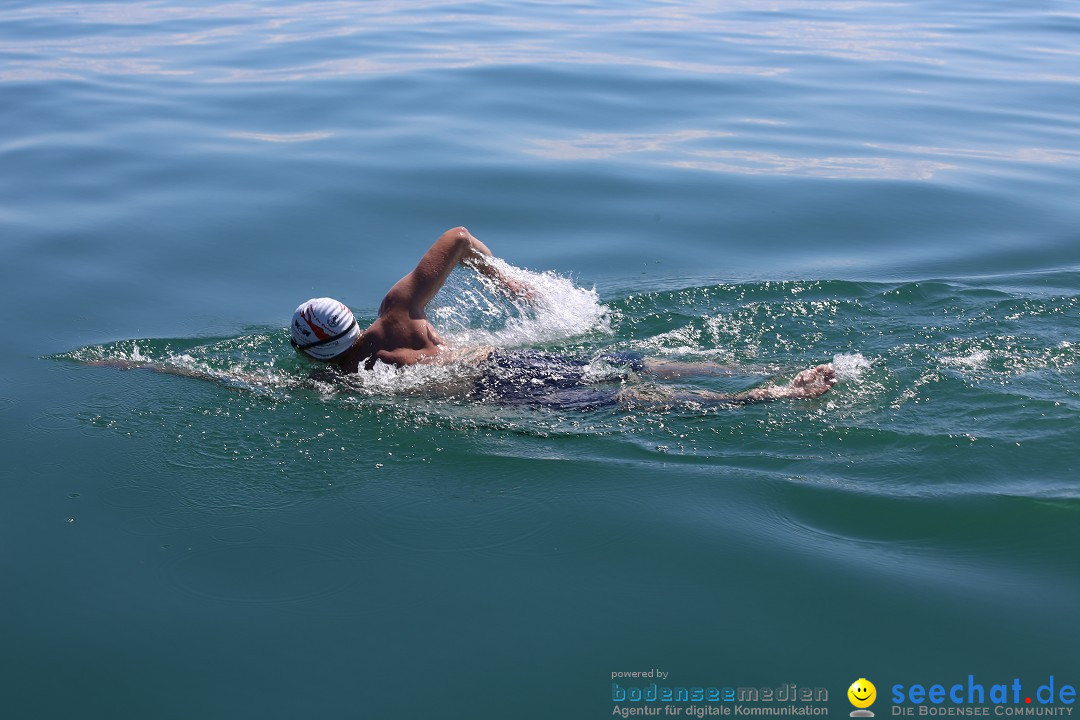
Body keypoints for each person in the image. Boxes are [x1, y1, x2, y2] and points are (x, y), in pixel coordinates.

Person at [291, 227, 836, 406]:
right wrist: (511, 284)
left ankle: (776, 396)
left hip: (500, 393)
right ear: (349, 317)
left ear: (311, 352)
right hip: (509, 360)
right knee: (636, 366)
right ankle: (749, 366)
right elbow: (457, 238)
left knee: (627, 403)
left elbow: (258, 384)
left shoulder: (344, 381)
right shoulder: (394, 314)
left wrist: (204, 371)